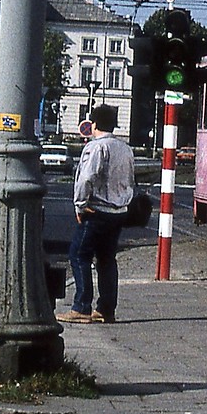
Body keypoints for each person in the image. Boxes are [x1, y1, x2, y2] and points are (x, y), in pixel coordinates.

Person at [58, 104, 136, 324]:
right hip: (119, 211)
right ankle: (106, 309)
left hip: (98, 210)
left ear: (94, 124)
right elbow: (130, 179)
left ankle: (82, 307)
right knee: (106, 259)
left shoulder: (96, 147)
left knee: (79, 254)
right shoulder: (125, 148)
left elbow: (86, 178)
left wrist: (80, 204)